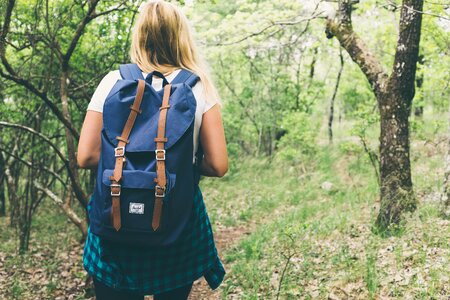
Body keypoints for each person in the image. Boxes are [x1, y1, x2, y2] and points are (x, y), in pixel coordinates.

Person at [76, 1, 228, 299]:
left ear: (140, 35)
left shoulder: (113, 82)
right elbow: (218, 165)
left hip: (115, 222)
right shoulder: (199, 88)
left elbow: (86, 156)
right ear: (181, 36)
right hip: (176, 223)